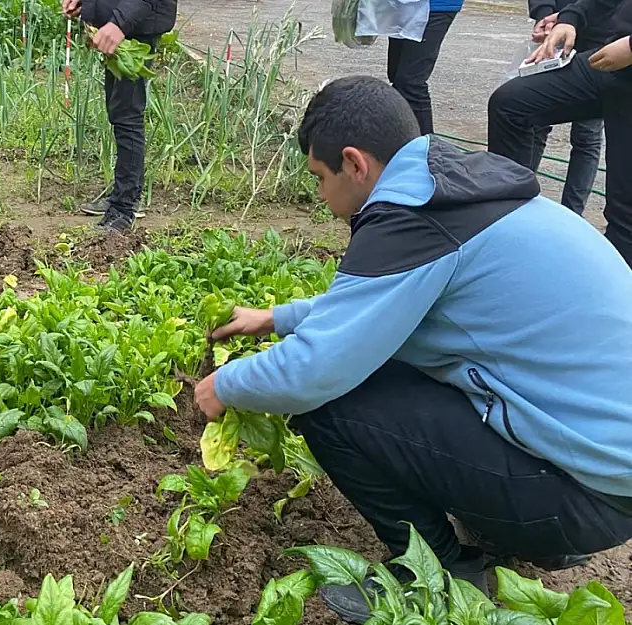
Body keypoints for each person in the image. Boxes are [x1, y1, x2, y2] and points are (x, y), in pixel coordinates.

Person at [193, 76, 632, 624]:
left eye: (320, 179)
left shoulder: (411, 220)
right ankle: (529, 533)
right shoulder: (453, 191)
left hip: (584, 493)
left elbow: (314, 371)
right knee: (388, 372)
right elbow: (386, 312)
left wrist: (223, 386)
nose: (323, 199)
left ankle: (440, 573)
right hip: (609, 478)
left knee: (329, 404)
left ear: (355, 163)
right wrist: (278, 318)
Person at [487, 0, 632, 266]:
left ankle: (614, 296)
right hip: (614, 63)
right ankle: (511, 224)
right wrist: (570, 18)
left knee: (625, 212)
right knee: (510, 104)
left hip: (626, 55)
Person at [61, 0, 178, 233]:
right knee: (119, 112)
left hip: (134, 27)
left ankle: (124, 208)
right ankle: (121, 195)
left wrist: (119, 23)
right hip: (124, 24)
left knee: (127, 117)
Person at [524, 0, 609, 215]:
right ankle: (518, 202)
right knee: (534, 120)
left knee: (587, 136)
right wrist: (544, 14)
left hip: (601, 40)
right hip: (555, 32)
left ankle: (572, 213)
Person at [385, 0, 461, 135]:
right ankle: (400, 139)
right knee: (396, 76)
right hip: (404, 6)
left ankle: (426, 148)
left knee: (410, 81)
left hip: (436, 7)